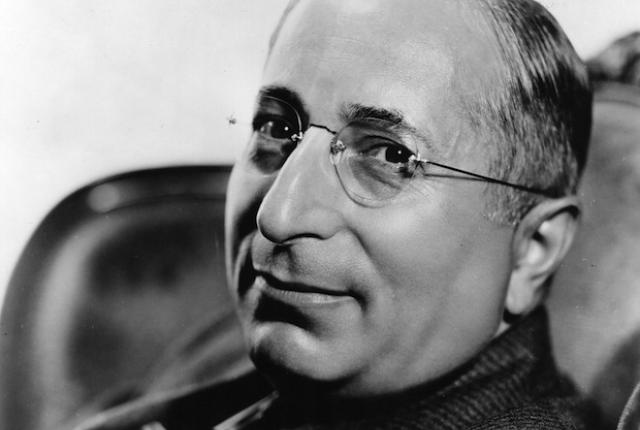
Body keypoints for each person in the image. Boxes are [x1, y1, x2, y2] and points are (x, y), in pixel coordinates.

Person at [73, 0, 597, 428]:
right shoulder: (246, 341)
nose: (278, 216)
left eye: (389, 155)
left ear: (533, 250)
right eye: (277, 128)